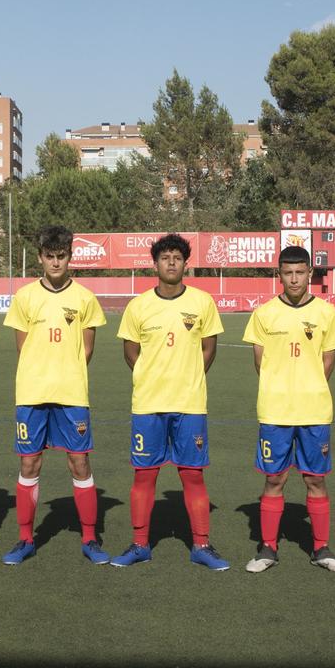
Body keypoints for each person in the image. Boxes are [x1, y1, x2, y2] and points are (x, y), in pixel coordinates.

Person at [112, 233, 230, 571]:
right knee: (144, 477)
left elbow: (209, 348)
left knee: (193, 476)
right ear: (155, 264)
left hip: (190, 404)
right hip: (148, 404)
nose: (172, 262)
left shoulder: (202, 302)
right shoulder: (138, 306)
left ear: (185, 263)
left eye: (177, 257)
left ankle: (202, 546)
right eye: (165, 257)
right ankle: (139, 545)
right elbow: (130, 352)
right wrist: (152, 376)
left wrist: (189, 376)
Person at [2, 224, 110, 566]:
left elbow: (87, 349)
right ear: (40, 258)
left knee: (79, 462)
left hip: (72, 394)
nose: (55, 263)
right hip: (32, 394)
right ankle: (24, 539)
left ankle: (90, 539)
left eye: (61, 256)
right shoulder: (25, 297)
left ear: (70, 257)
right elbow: (23, 347)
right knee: (30, 462)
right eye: (49, 256)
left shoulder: (84, 298)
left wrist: (66, 373)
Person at [241, 245, 335, 574]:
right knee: (275, 478)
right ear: (279, 275)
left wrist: (308, 386)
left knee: (315, 479)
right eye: (287, 273)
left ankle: (321, 548)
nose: (294, 279)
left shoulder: (326, 313)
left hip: (314, 410)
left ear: (310, 274)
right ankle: (268, 549)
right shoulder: (263, 314)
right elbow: (259, 361)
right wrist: (281, 387)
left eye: (300, 272)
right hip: (274, 411)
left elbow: (328, 361)